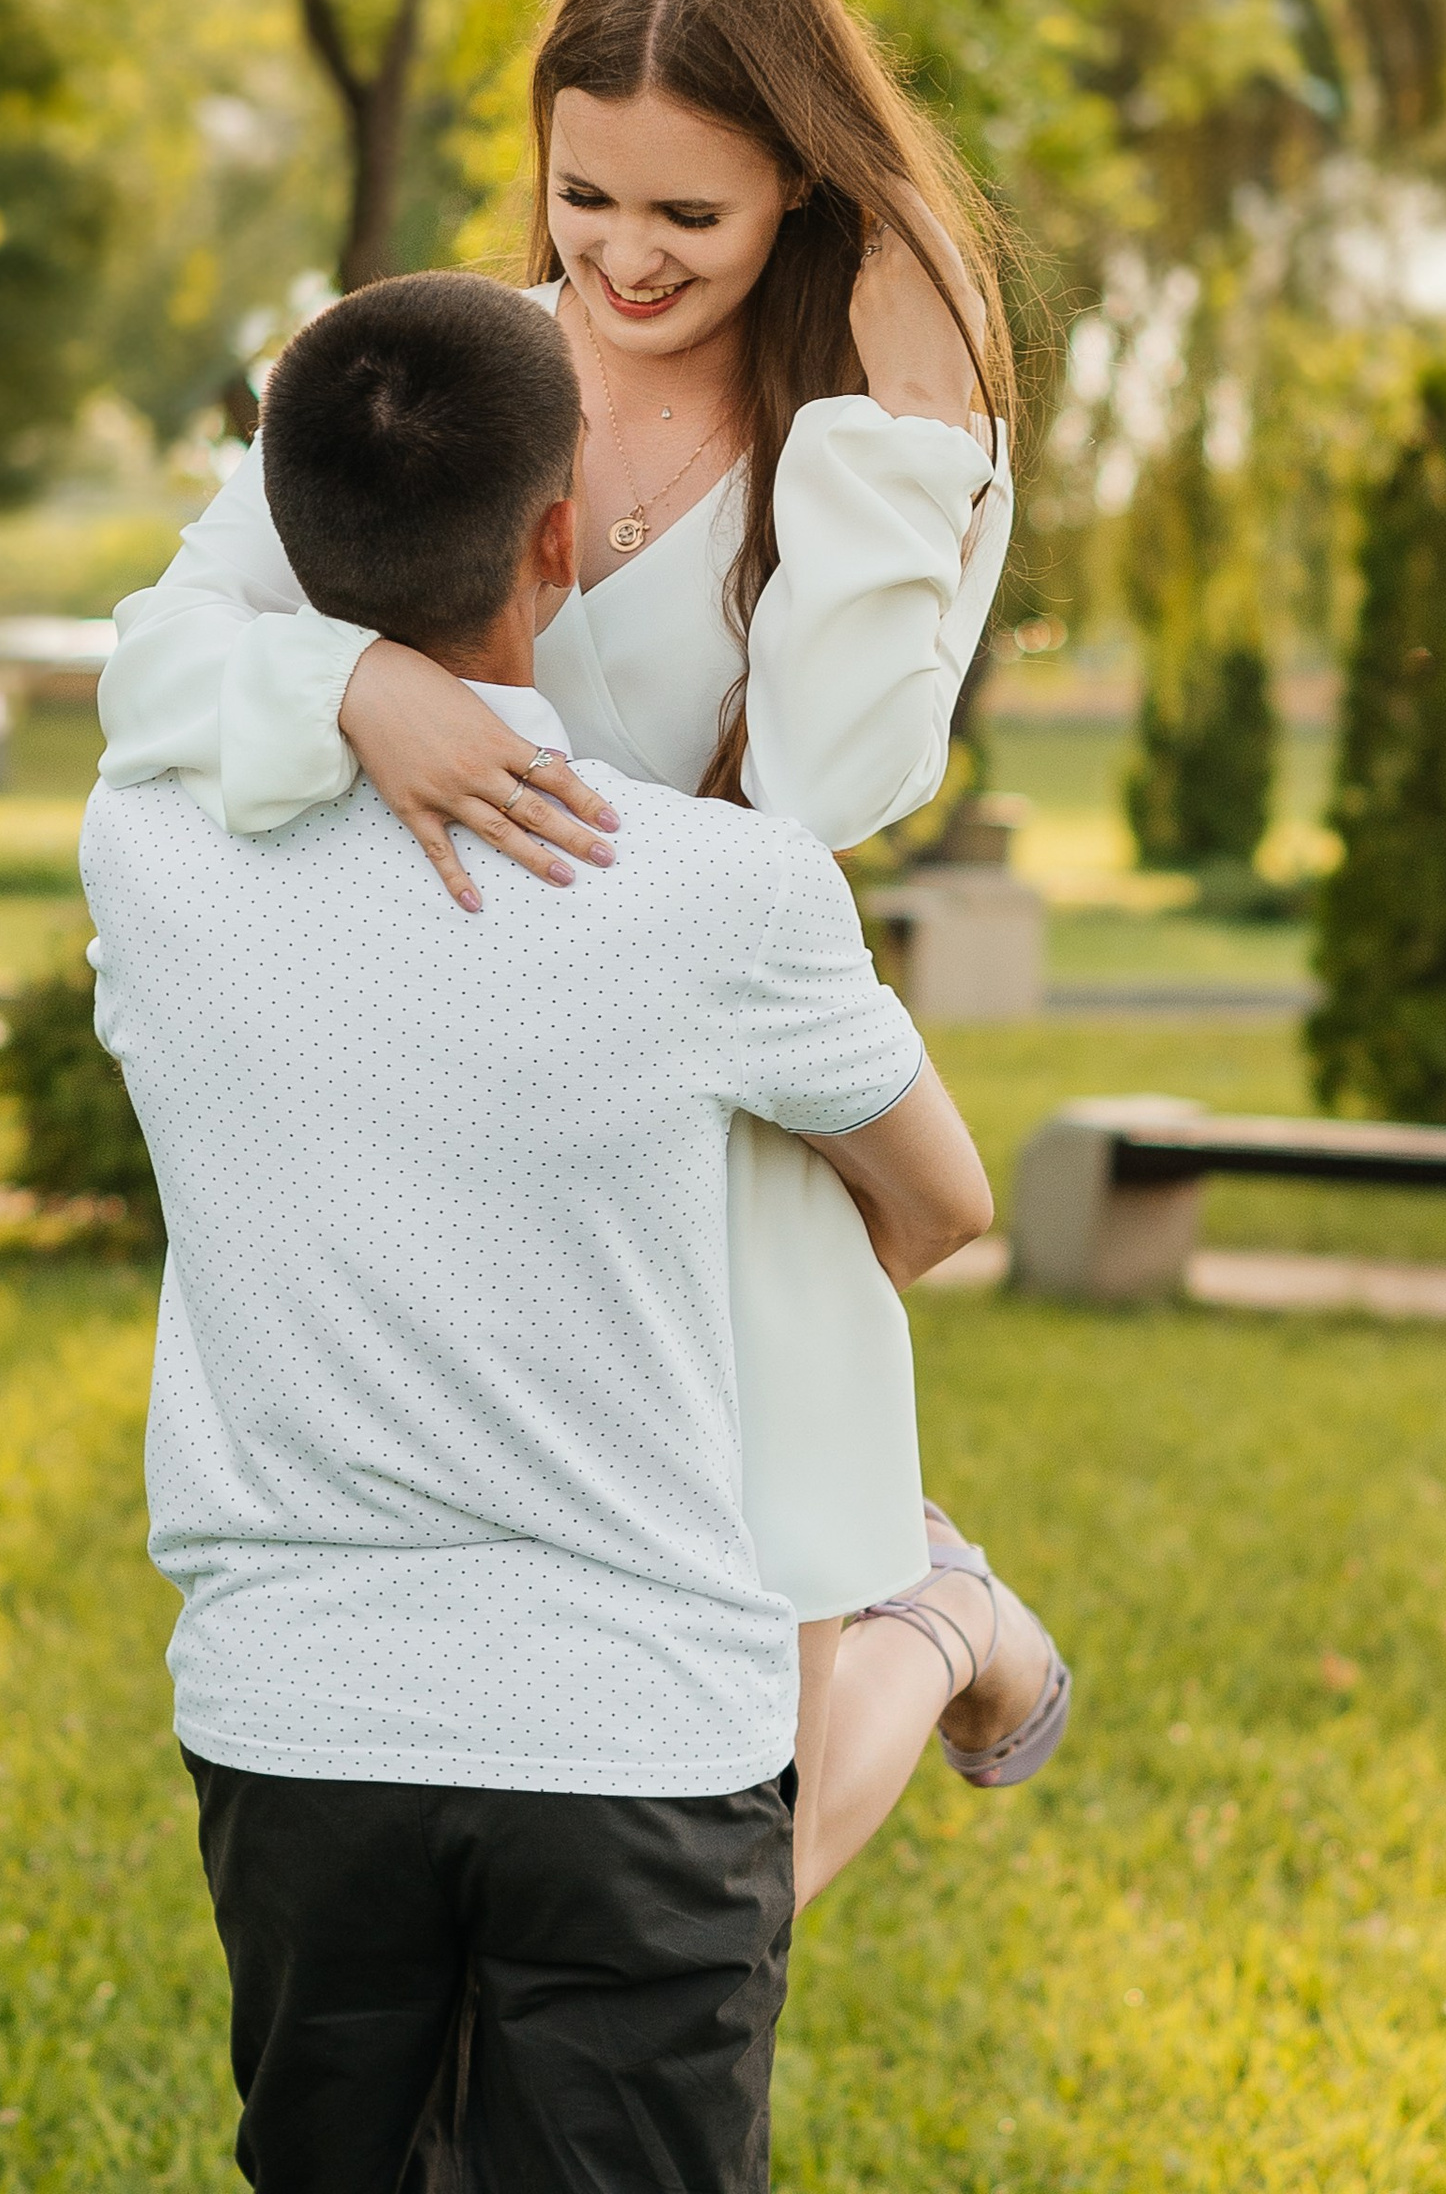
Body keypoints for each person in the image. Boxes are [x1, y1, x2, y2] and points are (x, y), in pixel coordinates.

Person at [99, 0, 1071, 1895]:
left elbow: (829, 785)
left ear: (798, 189)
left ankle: (930, 1620)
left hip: (714, 1093)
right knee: (562, 1776)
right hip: (468, 1113)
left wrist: (898, 438)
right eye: (582, 195)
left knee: (726, 1856)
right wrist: (347, 678)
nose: (621, 259)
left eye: (688, 220)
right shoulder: (447, 378)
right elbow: (154, 662)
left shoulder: (879, 438)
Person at [83, 274, 1033, 2188]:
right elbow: (943, 1203)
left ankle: (947, 1632)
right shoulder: (720, 892)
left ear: (283, 547)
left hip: (294, 1730)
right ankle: (943, 1630)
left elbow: (156, 681)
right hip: (637, 1738)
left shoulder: (144, 850)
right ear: (550, 538)